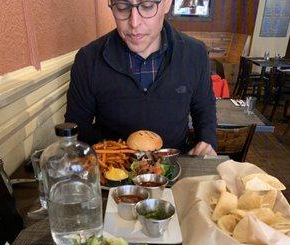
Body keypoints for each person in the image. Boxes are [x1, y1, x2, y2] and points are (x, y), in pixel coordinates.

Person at [65, 0, 217, 155]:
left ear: (166, 4)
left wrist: (206, 143)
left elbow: (204, 109)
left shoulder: (195, 53)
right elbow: (77, 128)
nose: (134, 23)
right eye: (122, 8)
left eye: (147, 6)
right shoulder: (88, 59)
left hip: (176, 165)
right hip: (111, 171)